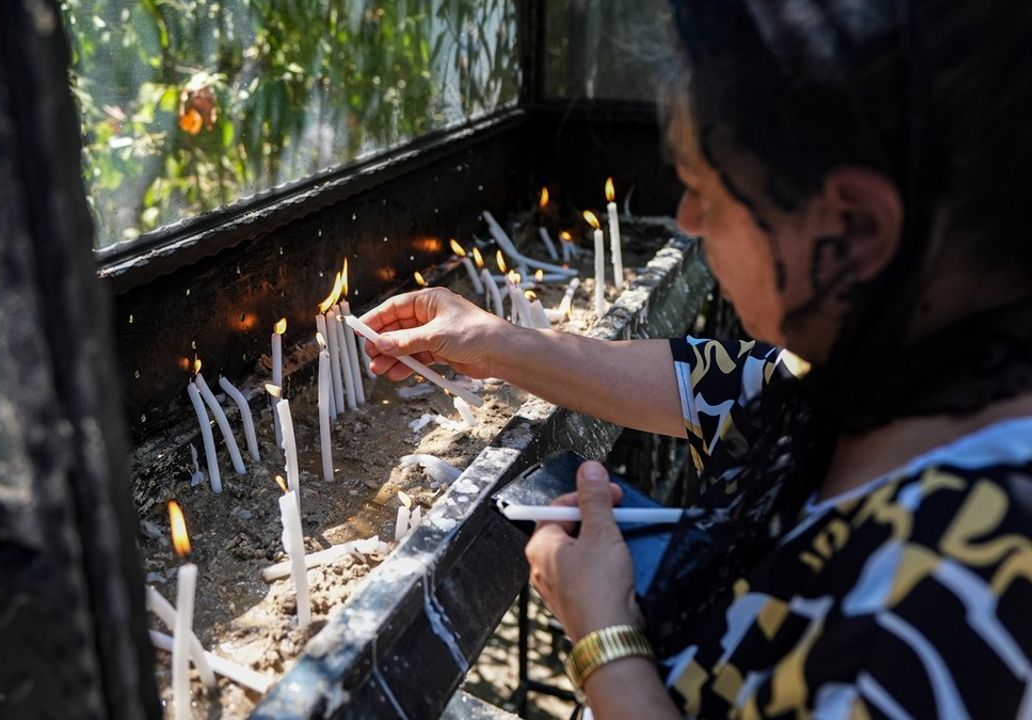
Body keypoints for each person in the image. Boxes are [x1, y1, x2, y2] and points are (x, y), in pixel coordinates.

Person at [359, 0, 1032, 717]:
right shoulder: (891, 374)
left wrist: (603, 637)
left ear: (855, 229)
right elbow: (710, 382)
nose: (686, 220)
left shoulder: (952, 592)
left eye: (710, 192)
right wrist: (496, 342)